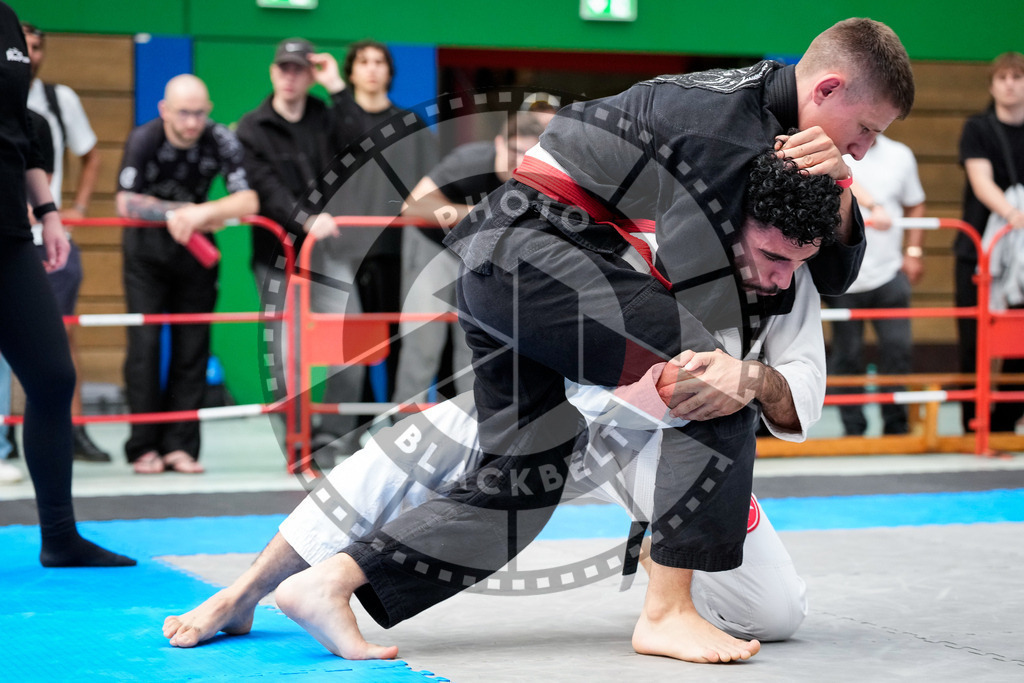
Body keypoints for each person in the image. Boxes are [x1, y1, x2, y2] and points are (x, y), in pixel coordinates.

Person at [295, 17, 912, 665]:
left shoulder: (760, 108)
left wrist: (838, 191)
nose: (864, 150)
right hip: (537, 256)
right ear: (829, 89)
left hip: (498, 258)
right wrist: (725, 371)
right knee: (715, 375)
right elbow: (698, 289)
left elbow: (829, 266)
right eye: (865, 129)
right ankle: (668, 611)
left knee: (525, 476)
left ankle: (331, 581)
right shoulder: (727, 134)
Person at [163, 150, 835, 655]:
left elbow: (799, 394)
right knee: (399, 454)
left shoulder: (791, 285)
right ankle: (246, 589)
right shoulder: (646, 226)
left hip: (667, 450)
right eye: (771, 255)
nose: (781, 276)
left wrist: (748, 377)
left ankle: (662, 555)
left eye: (797, 262)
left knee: (775, 613)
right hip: (559, 405)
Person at [0, 0, 134, 566]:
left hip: (9, 232)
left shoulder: (7, 18)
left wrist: (49, 211)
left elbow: (19, 127)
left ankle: (58, 535)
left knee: (52, 377)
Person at [116, 74, 258, 474]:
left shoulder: (220, 139)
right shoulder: (144, 139)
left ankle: (180, 446)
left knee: (192, 347)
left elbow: (248, 198)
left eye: (199, 113)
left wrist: (201, 213)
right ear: (165, 110)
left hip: (196, 250)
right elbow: (124, 201)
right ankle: (143, 445)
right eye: (183, 114)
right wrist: (172, 213)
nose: (192, 123)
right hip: (145, 256)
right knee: (144, 347)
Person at [310, 39, 438, 461]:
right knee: (351, 346)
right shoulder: (332, 120)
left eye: (378, 62)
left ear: (389, 70)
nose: (370, 69)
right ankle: (343, 436)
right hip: (344, 248)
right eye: (362, 62)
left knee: (405, 342)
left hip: (401, 249)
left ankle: (401, 432)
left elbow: (431, 180)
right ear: (350, 71)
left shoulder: (410, 123)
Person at [393, 106, 555, 404]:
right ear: (498, 143)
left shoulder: (537, 178)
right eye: (514, 149)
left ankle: (470, 433)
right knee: (423, 344)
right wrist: (476, 214)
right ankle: (403, 432)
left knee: (475, 347)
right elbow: (412, 206)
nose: (519, 161)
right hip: (435, 247)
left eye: (528, 154)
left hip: (482, 255)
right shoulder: (469, 161)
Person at [21, 22, 110, 462]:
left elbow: (88, 153)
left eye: (37, 47)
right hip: (12, 237)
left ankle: (72, 434)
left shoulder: (55, 103)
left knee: (59, 344)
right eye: (22, 46)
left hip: (47, 236)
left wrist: (72, 208)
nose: (30, 54)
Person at [823, 134, 926, 435]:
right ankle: (853, 430)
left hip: (889, 272)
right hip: (844, 277)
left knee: (897, 351)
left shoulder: (900, 154)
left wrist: (913, 252)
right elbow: (842, 177)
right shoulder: (834, 148)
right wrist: (874, 205)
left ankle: (897, 427)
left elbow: (916, 203)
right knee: (848, 354)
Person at [956, 51, 1024, 433]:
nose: (1010, 84)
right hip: (979, 251)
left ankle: (1003, 421)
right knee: (973, 341)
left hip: (1023, 254)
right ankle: (973, 422)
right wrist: (1014, 216)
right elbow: (981, 182)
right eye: (1002, 78)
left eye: (1017, 77)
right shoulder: (978, 128)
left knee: (1020, 340)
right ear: (992, 85)